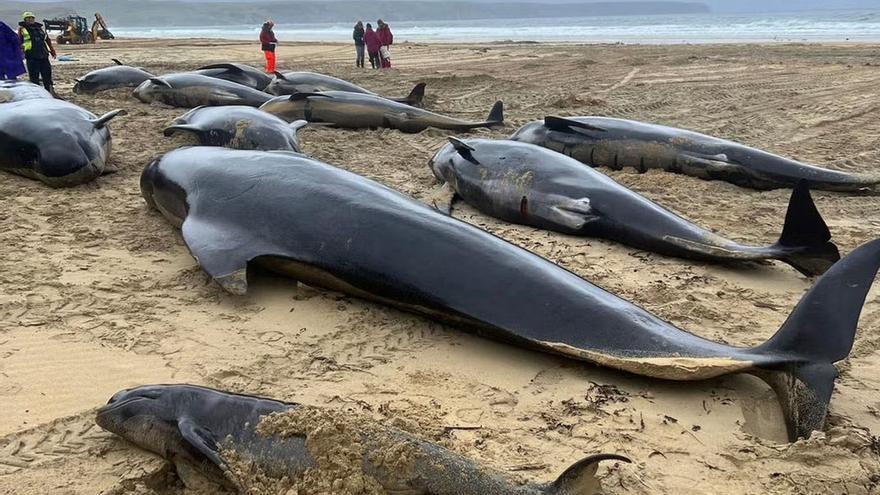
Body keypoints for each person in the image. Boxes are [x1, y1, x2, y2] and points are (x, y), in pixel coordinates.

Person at [18, 12, 57, 95]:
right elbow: (19, 41)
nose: (30, 19)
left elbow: (47, 40)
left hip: (43, 55)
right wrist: (19, 52)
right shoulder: (22, 29)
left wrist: (52, 51)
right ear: (25, 20)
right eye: (28, 18)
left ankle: (50, 92)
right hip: (31, 56)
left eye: (32, 18)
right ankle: (37, 95)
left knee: (47, 75)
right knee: (34, 77)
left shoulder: (40, 28)